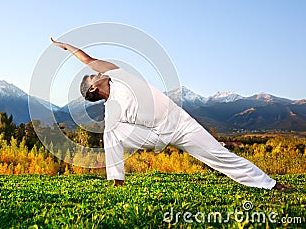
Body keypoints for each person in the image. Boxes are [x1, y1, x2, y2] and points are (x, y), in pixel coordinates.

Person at [51, 37, 289, 191]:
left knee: (220, 155)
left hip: (181, 125)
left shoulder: (118, 75)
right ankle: (117, 181)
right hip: (156, 137)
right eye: (93, 76)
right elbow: (115, 136)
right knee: (110, 132)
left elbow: (88, 59)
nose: (97, 72)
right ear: (93, 88)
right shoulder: (111, 109)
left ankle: (270, 184)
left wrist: (66, 46)